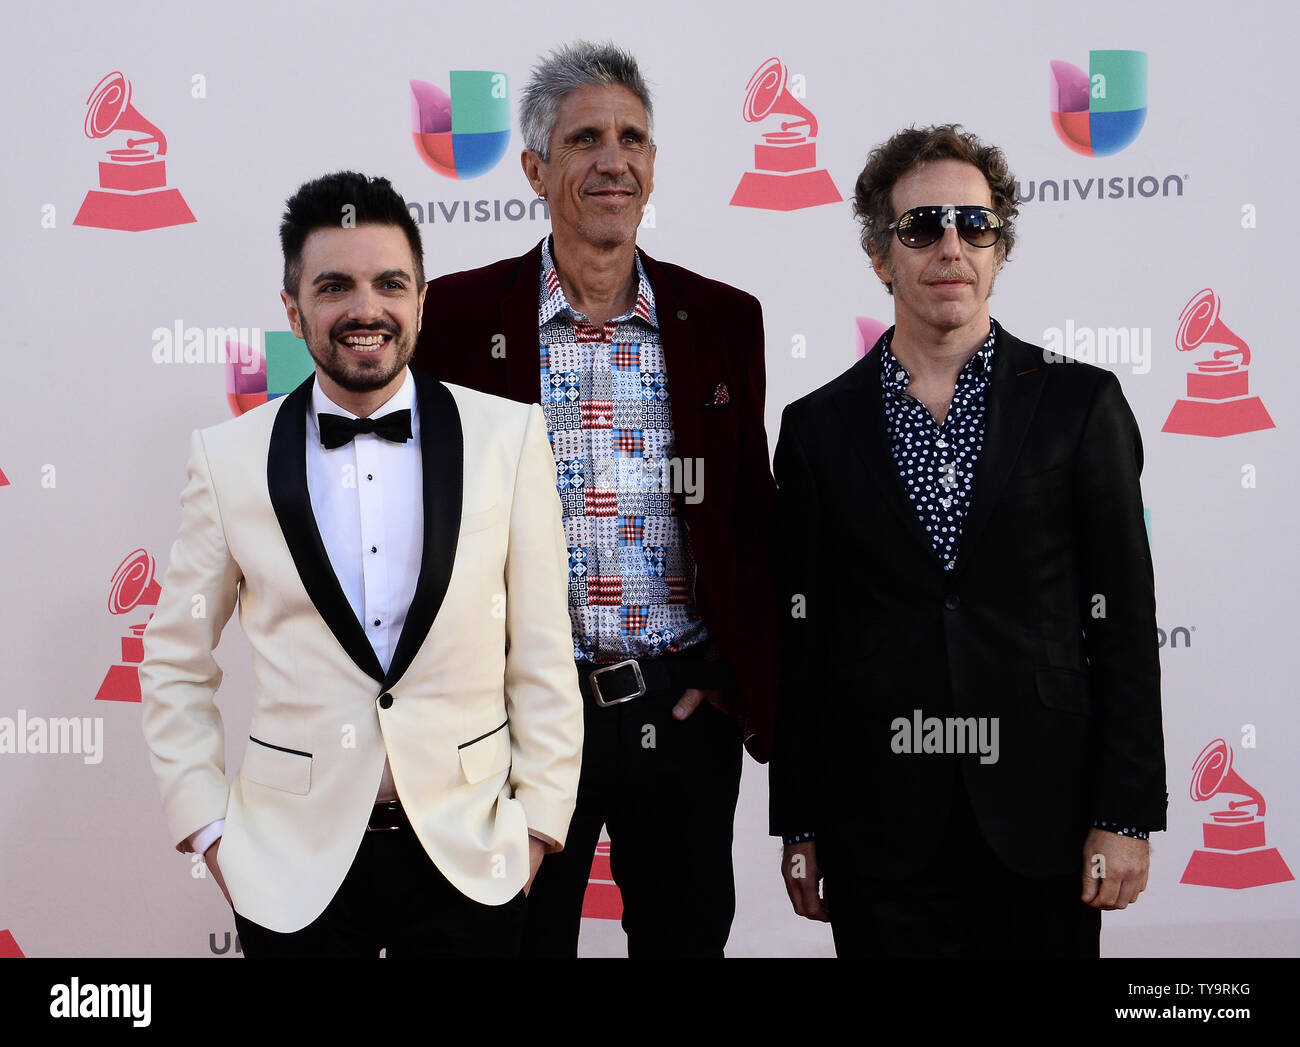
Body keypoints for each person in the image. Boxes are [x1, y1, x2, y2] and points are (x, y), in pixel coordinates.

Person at [139, 171, 582, 957]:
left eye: (389, 283)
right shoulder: (227, 458)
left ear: (420, 300)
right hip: (289, 865)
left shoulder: (508, 439)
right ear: (293, 307)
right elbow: (174, 657)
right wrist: (212, 831)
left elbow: (544, 651)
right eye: (334, 285)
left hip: (472, 858)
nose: (364, 309)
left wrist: (538, 828)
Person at [413, 42, 780, 957]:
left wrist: (734, 675)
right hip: (516, 720)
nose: (614, 160)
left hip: (681, 711)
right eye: (585, 140)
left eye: (633, 138)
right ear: (536, 168)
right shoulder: (454, 318)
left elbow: (749, 516)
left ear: (653, 165)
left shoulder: (724, 318)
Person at [769, 125, 1167, 957]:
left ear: (999, 246)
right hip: (878, 829)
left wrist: (1125, 811)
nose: (950, 245)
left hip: (1044, 819)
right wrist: (799, 821)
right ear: (882, 255)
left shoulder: (1080, 405)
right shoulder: (816, 428)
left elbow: (1125, 622)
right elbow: (803, 639)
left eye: (973, 225)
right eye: (921, 227)